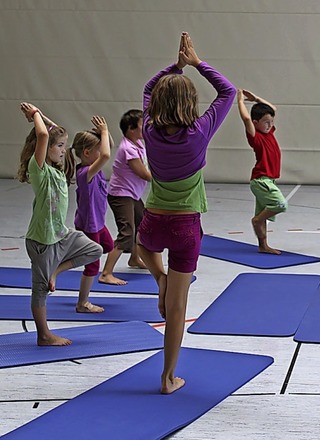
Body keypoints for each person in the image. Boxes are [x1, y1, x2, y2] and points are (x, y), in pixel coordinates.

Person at [137, 32, 235, 394]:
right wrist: (197, 63)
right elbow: (228, 92)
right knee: (176, 309)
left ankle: (158, 276)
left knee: (142, 246)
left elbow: (148, 88)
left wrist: (175, 66)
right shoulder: (198, 132)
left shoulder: (148, 129)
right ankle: (167, 378)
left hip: (152, 222)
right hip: (184, 228)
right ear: (191, 102)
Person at [17, 102, 103, 346]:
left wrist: (45, 117)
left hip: (61, 234)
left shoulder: (56, 169)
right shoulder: (39, 169)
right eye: (60, 146)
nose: (65, 150)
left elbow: (51, 132)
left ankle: (56, 271)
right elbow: (44, 134)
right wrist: (35, 114)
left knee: (94, 250)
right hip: (42, 240)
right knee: (41, 289)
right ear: (44, 150)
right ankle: (44, 335)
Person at [64, 115, 117, 312]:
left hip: (98, 223)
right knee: (93, 267)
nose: (104, 151)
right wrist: (102, 131)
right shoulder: (85, 173)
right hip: (89, 225)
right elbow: (105, 155)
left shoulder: (95, 170)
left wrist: (104, 132)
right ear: (87, 153)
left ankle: (73, 256)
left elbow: (106, 149)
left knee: (108, 246)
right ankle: (82, 303)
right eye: (99, 149)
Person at [101, 109, 152, 283]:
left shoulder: (138, 143)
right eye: (142, 125)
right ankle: (106, 273)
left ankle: (134, 259)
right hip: (121, 196)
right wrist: (167, 178)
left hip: (132, 194)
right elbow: (143, 174)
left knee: (142, 225)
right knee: (127, 233)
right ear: (131, 129)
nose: (146, 127)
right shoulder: (128, 148)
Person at [236, 88, 287, 254]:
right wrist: (241, 101)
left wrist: (256, 98)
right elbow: (245, 118)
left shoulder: (269, 132)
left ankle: (262, 246)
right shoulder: (255, 137)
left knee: (263, 217)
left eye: (271, 122)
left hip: (269, 180)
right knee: (279, 204)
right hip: (261, 180)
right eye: (266, 122)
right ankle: (256, 220)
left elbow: (273, 109)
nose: (270, 125)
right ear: (256, 122)